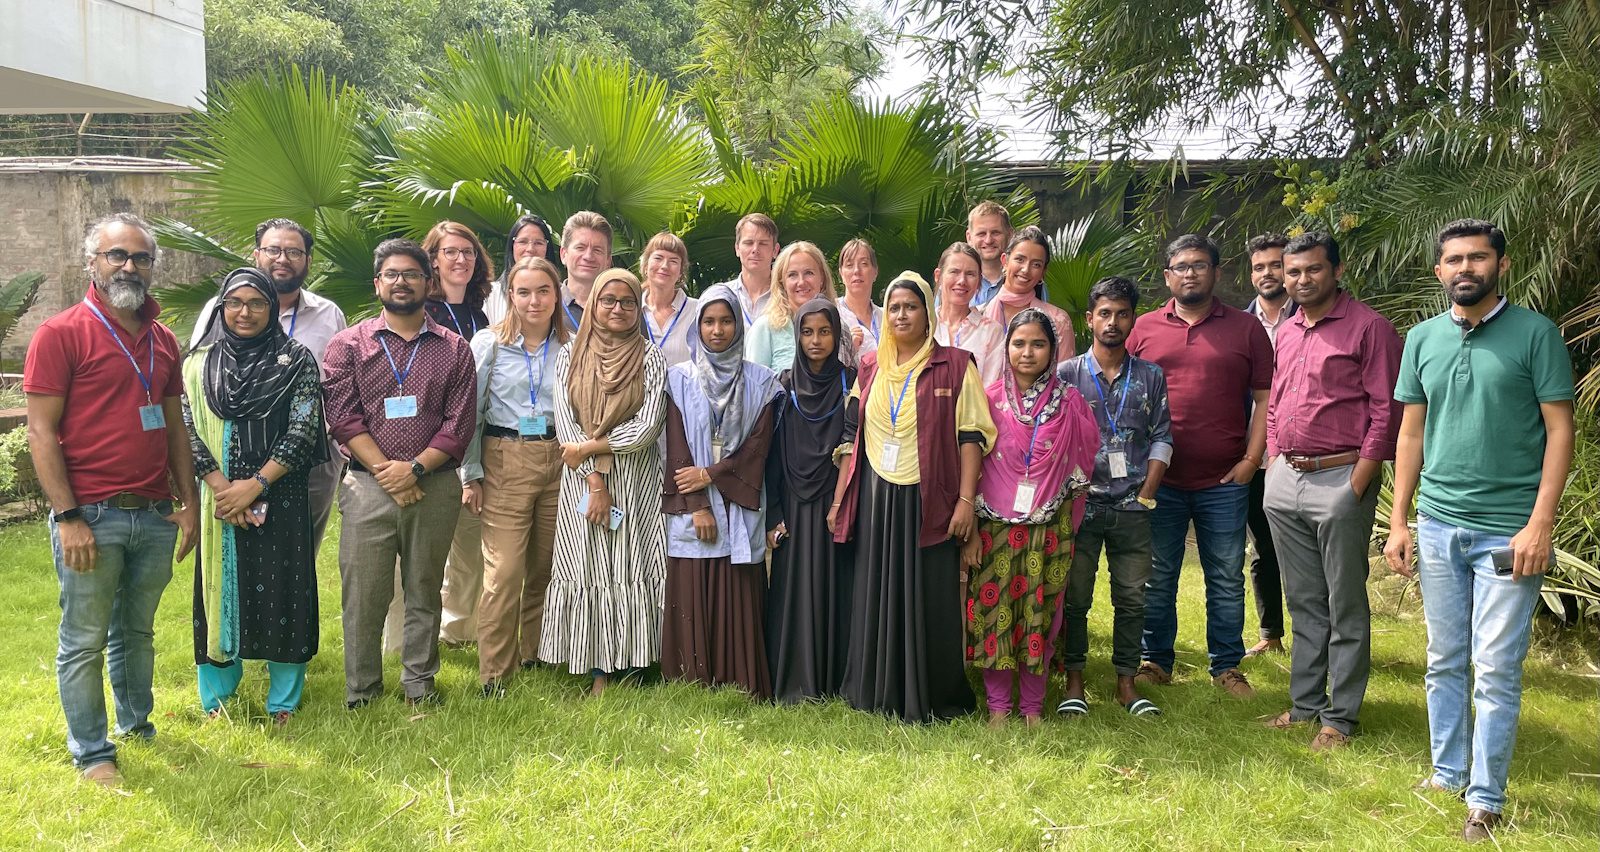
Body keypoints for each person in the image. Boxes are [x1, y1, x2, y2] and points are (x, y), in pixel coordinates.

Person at [1383, 219, 1575, 843]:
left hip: (1508, 534)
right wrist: (1400, 518)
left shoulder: (1536, 335)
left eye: (1478, 258)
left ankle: (1485, 798)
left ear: (1502, 265)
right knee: (1443, 660)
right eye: (1454, 259)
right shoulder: (1422, 339)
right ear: (1439, 271)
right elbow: (1410, 433)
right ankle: (1446, 774)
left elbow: (1559, 433)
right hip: (1439, 526)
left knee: (1494, 667)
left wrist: (1538, 525)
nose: (1466, 268)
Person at [24, 212, 199, 788]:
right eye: (116, 255)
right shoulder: (62, 333)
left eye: (140, 257)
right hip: (91, 515)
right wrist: (68, 515)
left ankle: (137, 726)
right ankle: (92, 752)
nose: (129, 266)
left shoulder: (163, 338)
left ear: (153, 267)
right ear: (92, 263)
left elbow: (175, 426)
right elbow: (40, 433)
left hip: (152, 513)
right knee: (85, 638)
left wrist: (188, 501)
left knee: (137, 631)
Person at [829, 271, 996, 723]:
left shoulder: (957, 364)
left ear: (928, 313)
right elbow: (852, 432)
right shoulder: (870, 367)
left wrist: (965, 502)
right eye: (895, 307)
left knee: (928, 593)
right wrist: (841, 497)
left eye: (912, 306)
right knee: (876, 588)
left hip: (932, 499)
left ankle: (932, 693)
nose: (902, 314)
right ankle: (874, 688)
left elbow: (971, 437)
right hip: (879, 495)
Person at [1260, 232, 1402, 751]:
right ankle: (1304, 706)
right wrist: (1274, 459)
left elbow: (1387, 411)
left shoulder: (1369, 329)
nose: (1301, 280)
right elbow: (1275, 402)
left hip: (1341, 481)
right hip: (1287, 480)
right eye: (1292, 272)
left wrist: (1359, 481)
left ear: (1336, 271)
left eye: (1312, 270)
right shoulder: (1288, 331)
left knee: (1344, 603)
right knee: (1303, 601)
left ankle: (1339, 718)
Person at [323, 239, 477, 708]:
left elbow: (459, 423)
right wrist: (389, 473)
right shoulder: (348, 344)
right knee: (364, 596)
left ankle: (419, 685)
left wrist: (413, 469)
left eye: (411, 273)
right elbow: (343, 418)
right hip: (368, 487)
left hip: (434, 486)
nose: (401, 281)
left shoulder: (453, 349)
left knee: (424, 591)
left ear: (428, 283)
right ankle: (362, 691)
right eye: (391, 274)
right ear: (377, 283)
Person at [1128, 233, 1273, 697]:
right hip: (1160, 480)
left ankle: (1226, 665)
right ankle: (1156, 659)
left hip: (1224, 479)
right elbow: (1124, 394)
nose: (1190, 273)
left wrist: (1253, 459)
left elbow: (1266, 397)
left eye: (1199, 265)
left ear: (1216, 271)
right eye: (1181, 266)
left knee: (1225, 576)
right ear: (1168, 276)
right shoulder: (1144, 328)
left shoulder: (1245, 328)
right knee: (1159, 574)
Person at [183, 268, 329, 725]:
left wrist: (255, 485)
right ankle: (218, 699)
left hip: (280, 499)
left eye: (256, 303)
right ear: (221, 308)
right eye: (234, 303)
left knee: (284, 592)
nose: (244, 312)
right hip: (218, 503)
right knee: (218, 594)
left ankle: (282, 701)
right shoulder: (196, 364)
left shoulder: (297, 360)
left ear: (272, 308)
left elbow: (304, 430)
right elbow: (184, 430)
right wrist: (222, 488)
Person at [964, 308, 1098, 727]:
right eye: (1019, 343)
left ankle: (1033, 708)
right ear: (1006, 348)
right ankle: (1000, 707)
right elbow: (967, 461)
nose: (1027, 352)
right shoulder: (986, 400)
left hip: (1050, 526)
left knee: (1039, 612)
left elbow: (1083, 462)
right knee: (993, 609)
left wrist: (1066, 517)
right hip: (993, 525)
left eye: (1038, 344)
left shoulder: (1071, 403)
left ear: (1052, 350)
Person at [540, 268, 670, 696]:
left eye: (628, 301)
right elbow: (566, 425)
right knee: (590, 565)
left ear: (638, 307)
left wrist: (590, 449)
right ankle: (597, 667)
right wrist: (595, 480)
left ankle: (636, 660)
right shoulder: (569, 355)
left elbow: (648, 427)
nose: (617, 309)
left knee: (632, 564)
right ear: (593, 304)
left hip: (636, 482)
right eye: (608, 300)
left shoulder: (651, 358)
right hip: (584, 485)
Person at [188, 218, 347, 553]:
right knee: (231, 557)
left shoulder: (329, 315)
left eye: (293, 252)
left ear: (308, 260)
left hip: (309, 461)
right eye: (273, 250)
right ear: (256, 254)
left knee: (298, 557)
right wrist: (226, 484)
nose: (283, 259)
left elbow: (339, 387)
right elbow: (197, 385)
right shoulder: (218, 311)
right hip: (227, 464)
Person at [1056, 276, 1172, 718]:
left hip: (1132, 508)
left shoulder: (1150, 376)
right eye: (1104, 313)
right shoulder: (1067, 375)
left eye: (1122, 313)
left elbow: (1162, 436)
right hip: (1080, 506)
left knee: (1132, 597)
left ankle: (1126, 682)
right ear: (1089, 320)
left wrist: (1148, 491)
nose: (1113, 322)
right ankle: (1074, 680)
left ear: (1132, 320)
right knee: (1075, 597)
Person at [660, 286, 783, 698]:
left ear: (738, 325)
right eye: (709, 321)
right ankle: (690, 680)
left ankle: (739, 679)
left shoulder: (762, 382)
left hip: (737, 496)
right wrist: (697, 505)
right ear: (697, 327)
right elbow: (674, 447)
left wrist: (711, 474)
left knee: (738, 583)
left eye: (726, 320)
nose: (717, 330)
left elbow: (758, 448)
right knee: (695, 577)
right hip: (693, 502)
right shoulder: (677, 379)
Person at [460, 257, 570, 697]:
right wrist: (471, 473)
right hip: (505, 457)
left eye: (543, 290)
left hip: (560, 459)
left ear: (556, 294)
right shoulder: (488, 344)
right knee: (504, 571)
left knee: (544, 566)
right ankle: (494, 674)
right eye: (523, 292)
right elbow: (470, 413)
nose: (534, 300)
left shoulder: (572, 344)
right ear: (510, 297)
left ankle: (534, 651)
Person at [765, 298, 857, 702]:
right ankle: (796, 681)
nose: (816, 340)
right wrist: (775, 514)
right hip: (793, 507)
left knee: (837, 588)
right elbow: (769, 455)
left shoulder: (851, 381)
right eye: (807, 332)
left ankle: (835, 680)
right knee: (794, 590)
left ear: (837, 335)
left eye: (824, 331)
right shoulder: (783, 385)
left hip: (836, 505)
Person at [420, 221, 495, 648]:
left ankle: (457, 632)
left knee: (468, 546)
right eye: (450, 252)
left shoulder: (478, 315)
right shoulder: (420, 311)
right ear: (432, 260)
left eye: (468, 252)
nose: (461, 260)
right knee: (424, 552)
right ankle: (408, 637)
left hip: (471, 445)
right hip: (429, 442)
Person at [1242, 232, 1295, 658]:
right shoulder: (1242, 324)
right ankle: (1270, 632)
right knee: (1262, 544)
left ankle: (1324, 633)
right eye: (1259, 267)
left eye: (1275, 265)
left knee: (1305, 548)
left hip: (1298, 451)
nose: (1267, 273)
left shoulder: (1307, 317)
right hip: (1254, 452)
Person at [748, 241, 850, 371]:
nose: (801, 282)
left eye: (809, 273)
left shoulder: (841, 329)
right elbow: (753, 386)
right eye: (792, 275)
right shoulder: (765, 328)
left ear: (822, 279)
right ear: (782, 282)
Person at [981, 226, 1075, 358]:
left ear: (1043, 272)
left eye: (1036, 264)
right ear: (1005, 261)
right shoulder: (978, 316)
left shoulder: (1057, 320)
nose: (1025, 269)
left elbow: (1063, 376)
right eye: (1020, 259)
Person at [932, 241, 1005, 384]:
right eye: (954, 272)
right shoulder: (924, 326)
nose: (962, 281)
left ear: (979, 282)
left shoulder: (991, 332)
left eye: (970, 274)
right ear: (938, 276)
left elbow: (991, 389)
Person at [640, 231, 699, 367]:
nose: (664, 266)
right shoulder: (631, 309)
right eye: (658, 258)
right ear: (645, 265)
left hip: (684, 388)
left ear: (680, 272)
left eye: (673, 261)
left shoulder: (697, 310)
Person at [486, 214, 557, 325]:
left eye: (538, 243)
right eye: (523, 242)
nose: (530, 249)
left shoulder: (559, 292)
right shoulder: (491, 294)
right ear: (512, 245)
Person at [557, 211, 615, 332]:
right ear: (563, 254)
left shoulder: (621, 309)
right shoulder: (547, 305)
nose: (588, 256)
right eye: (580, 248)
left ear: (608, 260)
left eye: (597, 250)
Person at [721, 213, 779, 324]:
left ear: (775, 250)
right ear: (737, 248)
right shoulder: (722, 295)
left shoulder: (787, 295)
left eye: (763, 243)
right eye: (749, 243)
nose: (755, 249)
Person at [836, 238, 882, 353]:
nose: (856, 270)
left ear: (875, 272)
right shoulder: (832, 314)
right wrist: (847, 349)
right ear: (841, 273)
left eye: (864, 264)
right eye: (849, 265)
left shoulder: (886, 316)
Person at [966, 201, 1014, 307]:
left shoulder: (1027, 281)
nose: (988, 240)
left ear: (1010, 235)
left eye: (995, 232)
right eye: (981, 234)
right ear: (969, 237)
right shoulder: (954, 283)